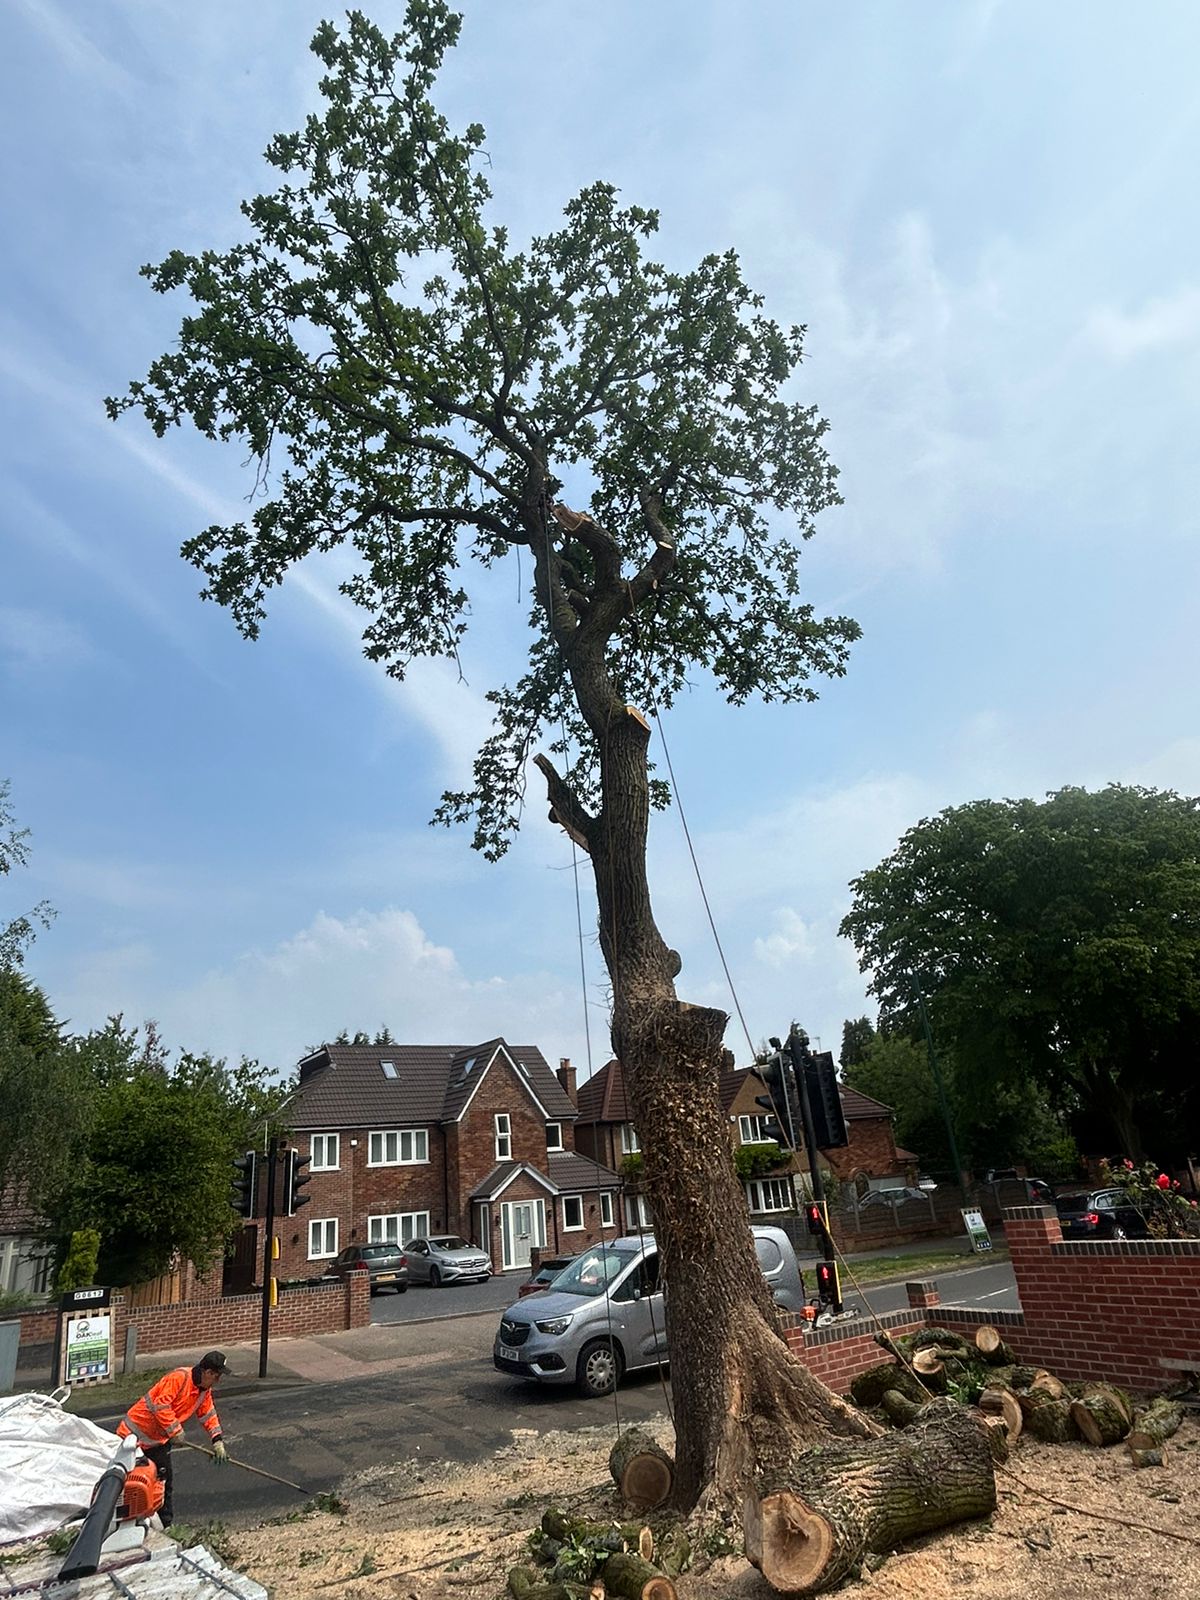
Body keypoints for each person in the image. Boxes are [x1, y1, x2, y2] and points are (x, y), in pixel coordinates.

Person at [115, 1349, 231, 1526]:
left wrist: (217, 1441)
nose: (218, 1381)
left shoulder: (203, 1391)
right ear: (208, 1373)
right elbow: (160, 1405)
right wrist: (175, 1430)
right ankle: (120, 1520)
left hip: (156, 1442)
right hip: (131, 1438)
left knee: (162, 1483)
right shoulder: (179, 1378)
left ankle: (164, 1524)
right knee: (128, 1484)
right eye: (217, 1376)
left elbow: (208, 1414)